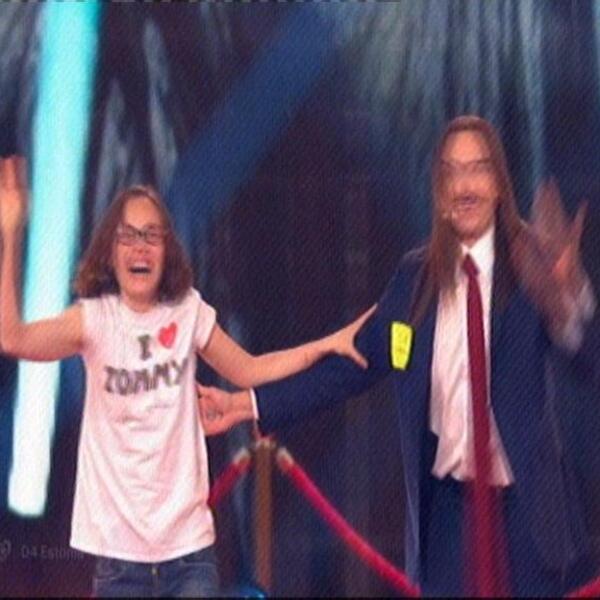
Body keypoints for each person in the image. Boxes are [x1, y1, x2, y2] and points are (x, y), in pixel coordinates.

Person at [198, 116, 600, 597]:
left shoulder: (530, 266)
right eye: (452, 172)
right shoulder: (414, 282)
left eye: (477, 169)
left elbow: (587, 363)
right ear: (440, 193)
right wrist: (247, 403)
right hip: (447, 520)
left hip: (526, 518)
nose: (465, 186)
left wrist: (570, 301)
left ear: (498, 184)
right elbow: (351, 368)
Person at [0, 157, 372, 598]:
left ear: (167, 250)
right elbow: (12, 337)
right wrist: (11, 233)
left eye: (151, 235)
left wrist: (328, 343)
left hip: (189, 557)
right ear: (110, 253)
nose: (140, 247)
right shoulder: (94, 320)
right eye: (128, 236)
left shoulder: (187, 312)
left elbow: (250, 369)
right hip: (119, 562)